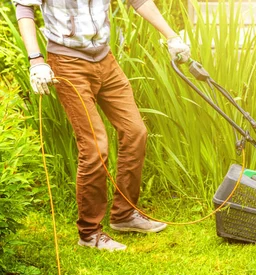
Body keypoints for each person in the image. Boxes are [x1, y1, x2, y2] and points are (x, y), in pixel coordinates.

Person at [14, 0, 190, 251]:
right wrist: (36, 60)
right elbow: (24, 8)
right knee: (95, 145)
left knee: (135, 132)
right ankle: (89, 232)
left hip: (105, 60)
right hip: (67, 62)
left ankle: (124, 214)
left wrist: (172, 36)